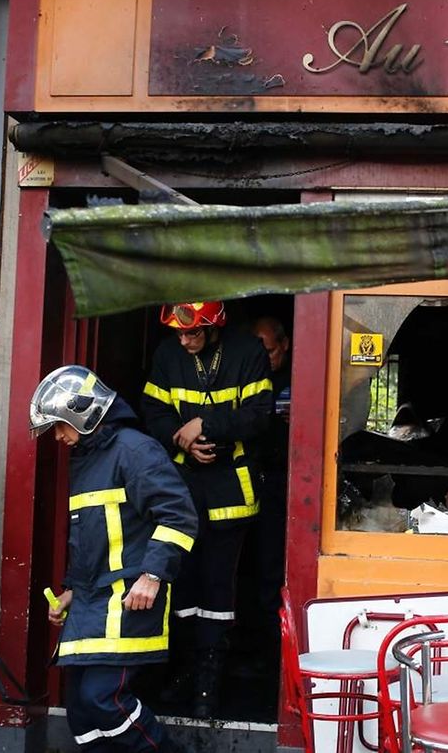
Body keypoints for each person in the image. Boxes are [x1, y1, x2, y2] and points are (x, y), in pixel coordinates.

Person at [32, 365, 197, 753]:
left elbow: (179, 516)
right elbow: (89, 538)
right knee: (81, 714)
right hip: (91, 601)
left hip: (127, 598)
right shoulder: (89, 460)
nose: (58, 437)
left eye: (60, 426)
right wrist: (71, 589)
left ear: (82, 413)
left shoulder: (135, 450)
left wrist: (153, 575)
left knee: (104, 700)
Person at [141, 301, 272, 718]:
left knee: (219, 587)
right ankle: (182, 669)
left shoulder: (247, 352)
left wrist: (206, 425)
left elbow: (259, 416)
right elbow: (153, 412)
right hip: (181, 490)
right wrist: (184, 439)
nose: (184, 341)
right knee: (181, 584)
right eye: (180, 334)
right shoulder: (168, 355)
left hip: (232, 490)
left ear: (215, 326)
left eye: (193, 333)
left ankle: (207, 684)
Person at [243, 316, 291, 671]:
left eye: (269, 351)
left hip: (287, 485)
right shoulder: (246, 378)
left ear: (285, 344)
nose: (263, 359)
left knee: (273, 569)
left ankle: (271, 660)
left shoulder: (304, 375)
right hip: (248, 481)